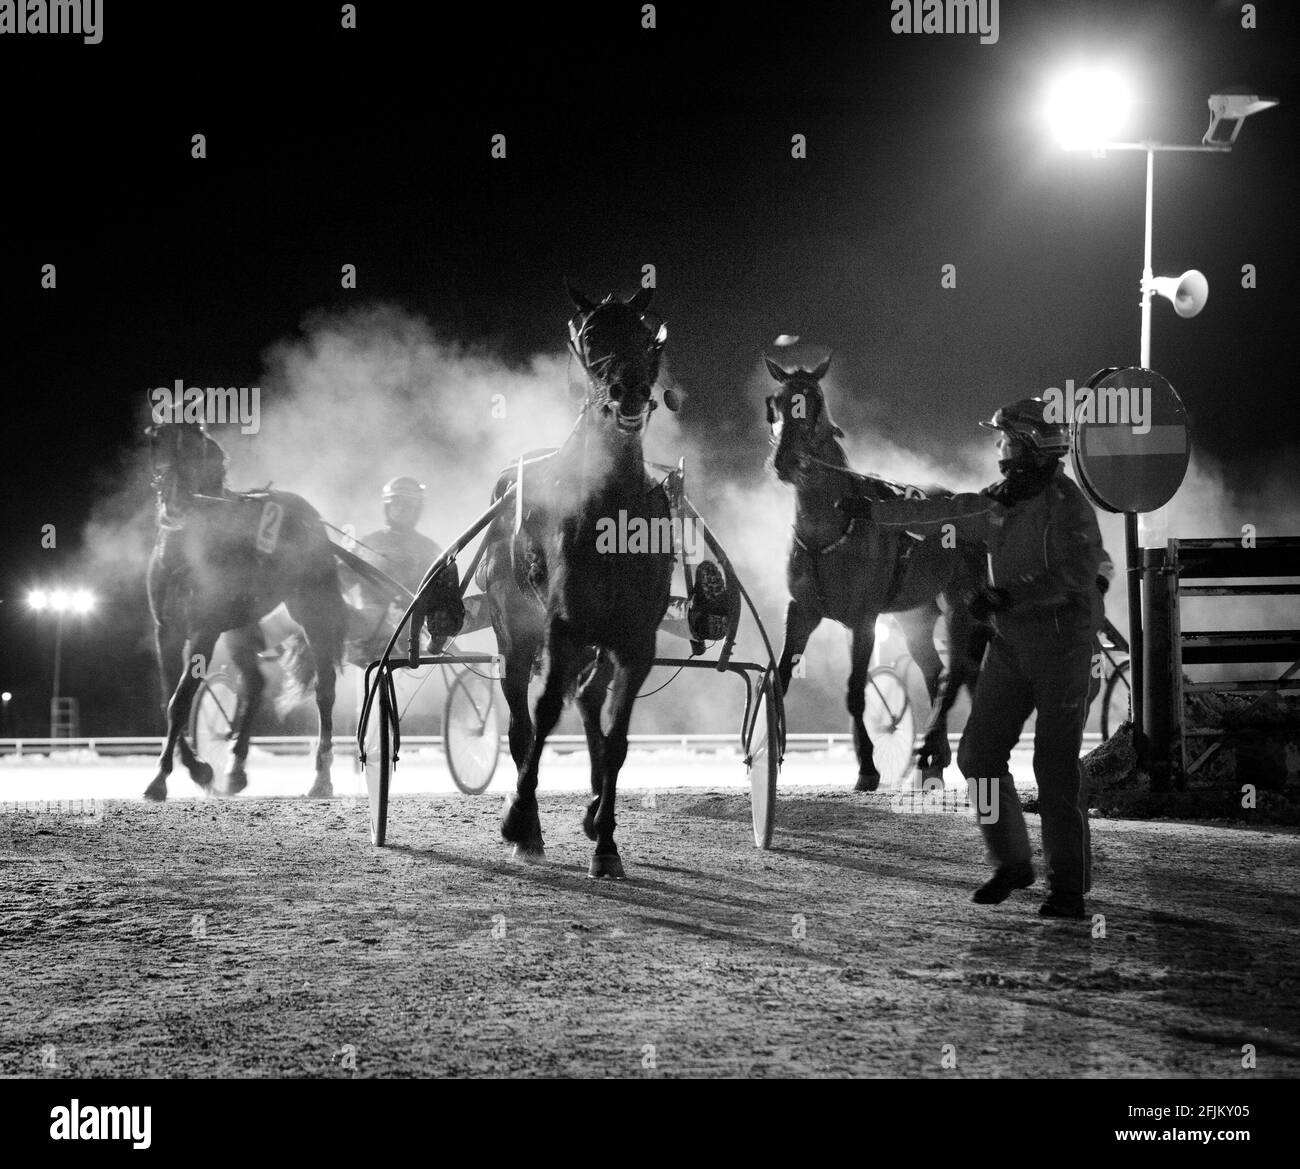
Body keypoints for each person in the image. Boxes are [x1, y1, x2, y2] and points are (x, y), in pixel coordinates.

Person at [837, 397, 1108, 919]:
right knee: (976, 759)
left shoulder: (1068, 505)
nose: (997, 446)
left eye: (1003, 438)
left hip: (1062, 651)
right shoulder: (999, 502)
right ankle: (1012, 862)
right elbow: (940, 510)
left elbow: (1076, 576)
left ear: (1026, 446)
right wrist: (874, 512)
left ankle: (1068, 889)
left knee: (1054, 768)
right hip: (1011, 651)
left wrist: (1009, 597)